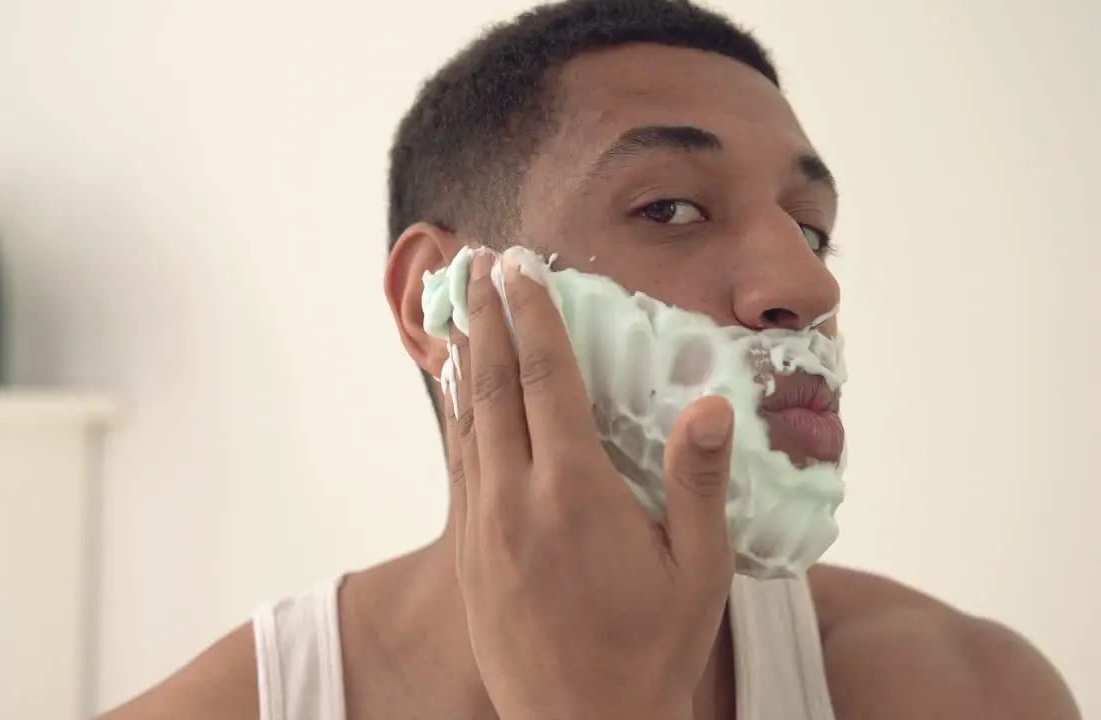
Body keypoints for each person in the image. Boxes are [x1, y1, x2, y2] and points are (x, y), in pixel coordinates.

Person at [99, 1, 1081, 718]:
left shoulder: (961, 693)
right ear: (440, 301)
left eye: (812, 231)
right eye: (671, 209)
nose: (808, 287)